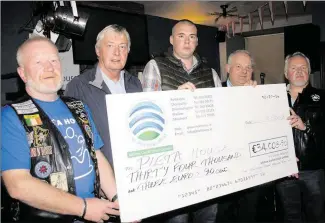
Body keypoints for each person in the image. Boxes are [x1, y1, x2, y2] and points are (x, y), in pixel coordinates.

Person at [1, 35, 120, 223]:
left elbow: (95, 154)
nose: (49, 68)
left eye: (54, 60)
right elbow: (17, 184)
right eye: (38, 62)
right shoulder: (9, 116)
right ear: (23, 73)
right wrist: (83, 207)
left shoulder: (79, 107)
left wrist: (116, 198)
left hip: (94, 215)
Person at [141, 19, 220, 223]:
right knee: (178, 220)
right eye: (181, 36)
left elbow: (221, 114)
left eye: (192, 36)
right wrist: (173, 99)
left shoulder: (211, 73)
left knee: (208, 216)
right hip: (173, 162)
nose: (187, 41)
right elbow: (147, 112)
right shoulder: (155, 66)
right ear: (171, 40)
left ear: (197, 42)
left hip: (207, 161)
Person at [65, 25, 142, 165]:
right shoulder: (78, 86)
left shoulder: (135, 84)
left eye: (122, 47)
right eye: (110, 46)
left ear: (128, 51)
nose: (117, 53)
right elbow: (73, 140)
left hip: (135, 167)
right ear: (98, 51)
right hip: (103, 174)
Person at [275, 52, 325, 223]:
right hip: (283, 171)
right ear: (286, 73)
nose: (299, 71)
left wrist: (306, 126)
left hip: (313, 170)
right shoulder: (273, 98)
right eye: (294, 68)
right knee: (290, 217)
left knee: (316, 216)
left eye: (303, 68)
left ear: (309, 71)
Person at [218, 50, 263, 223]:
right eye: (238, 66)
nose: (244, 72)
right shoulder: (213, 91)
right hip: (223, 171)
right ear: (228, 68)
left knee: (249, 214)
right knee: (223, 216)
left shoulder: (260, 95)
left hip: (251, 170)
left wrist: (251, 98)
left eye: (248, 68)